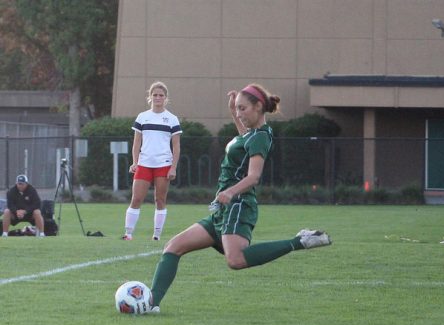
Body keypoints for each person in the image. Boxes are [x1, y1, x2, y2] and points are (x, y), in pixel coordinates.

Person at [148, 83, 331, 313]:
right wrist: (234, 114)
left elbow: (254, 176)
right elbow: (244, 143)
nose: (240, 113)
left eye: (243, 108)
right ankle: (150, 304)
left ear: (258, 107)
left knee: (235, 261)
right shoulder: (252, 134)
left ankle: (301, 241)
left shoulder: (261, 137)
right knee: (173, 247)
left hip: (238, 205)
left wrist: (231, 191)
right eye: (237, 108)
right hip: (223, 209)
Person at [122, 81, 182, 241]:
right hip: (144, 164)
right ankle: (128, 233)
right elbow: (136, 143)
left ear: (166, 98)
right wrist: (135, 162)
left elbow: (176, 147)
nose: (158, 98)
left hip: (163, 164)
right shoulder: (143, 117)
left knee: (160, 200)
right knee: (136, 199)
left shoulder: (172, 119)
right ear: (150, 97)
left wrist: (173, 168)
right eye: (154, 95)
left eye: (161, 95)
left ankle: (156, 235)